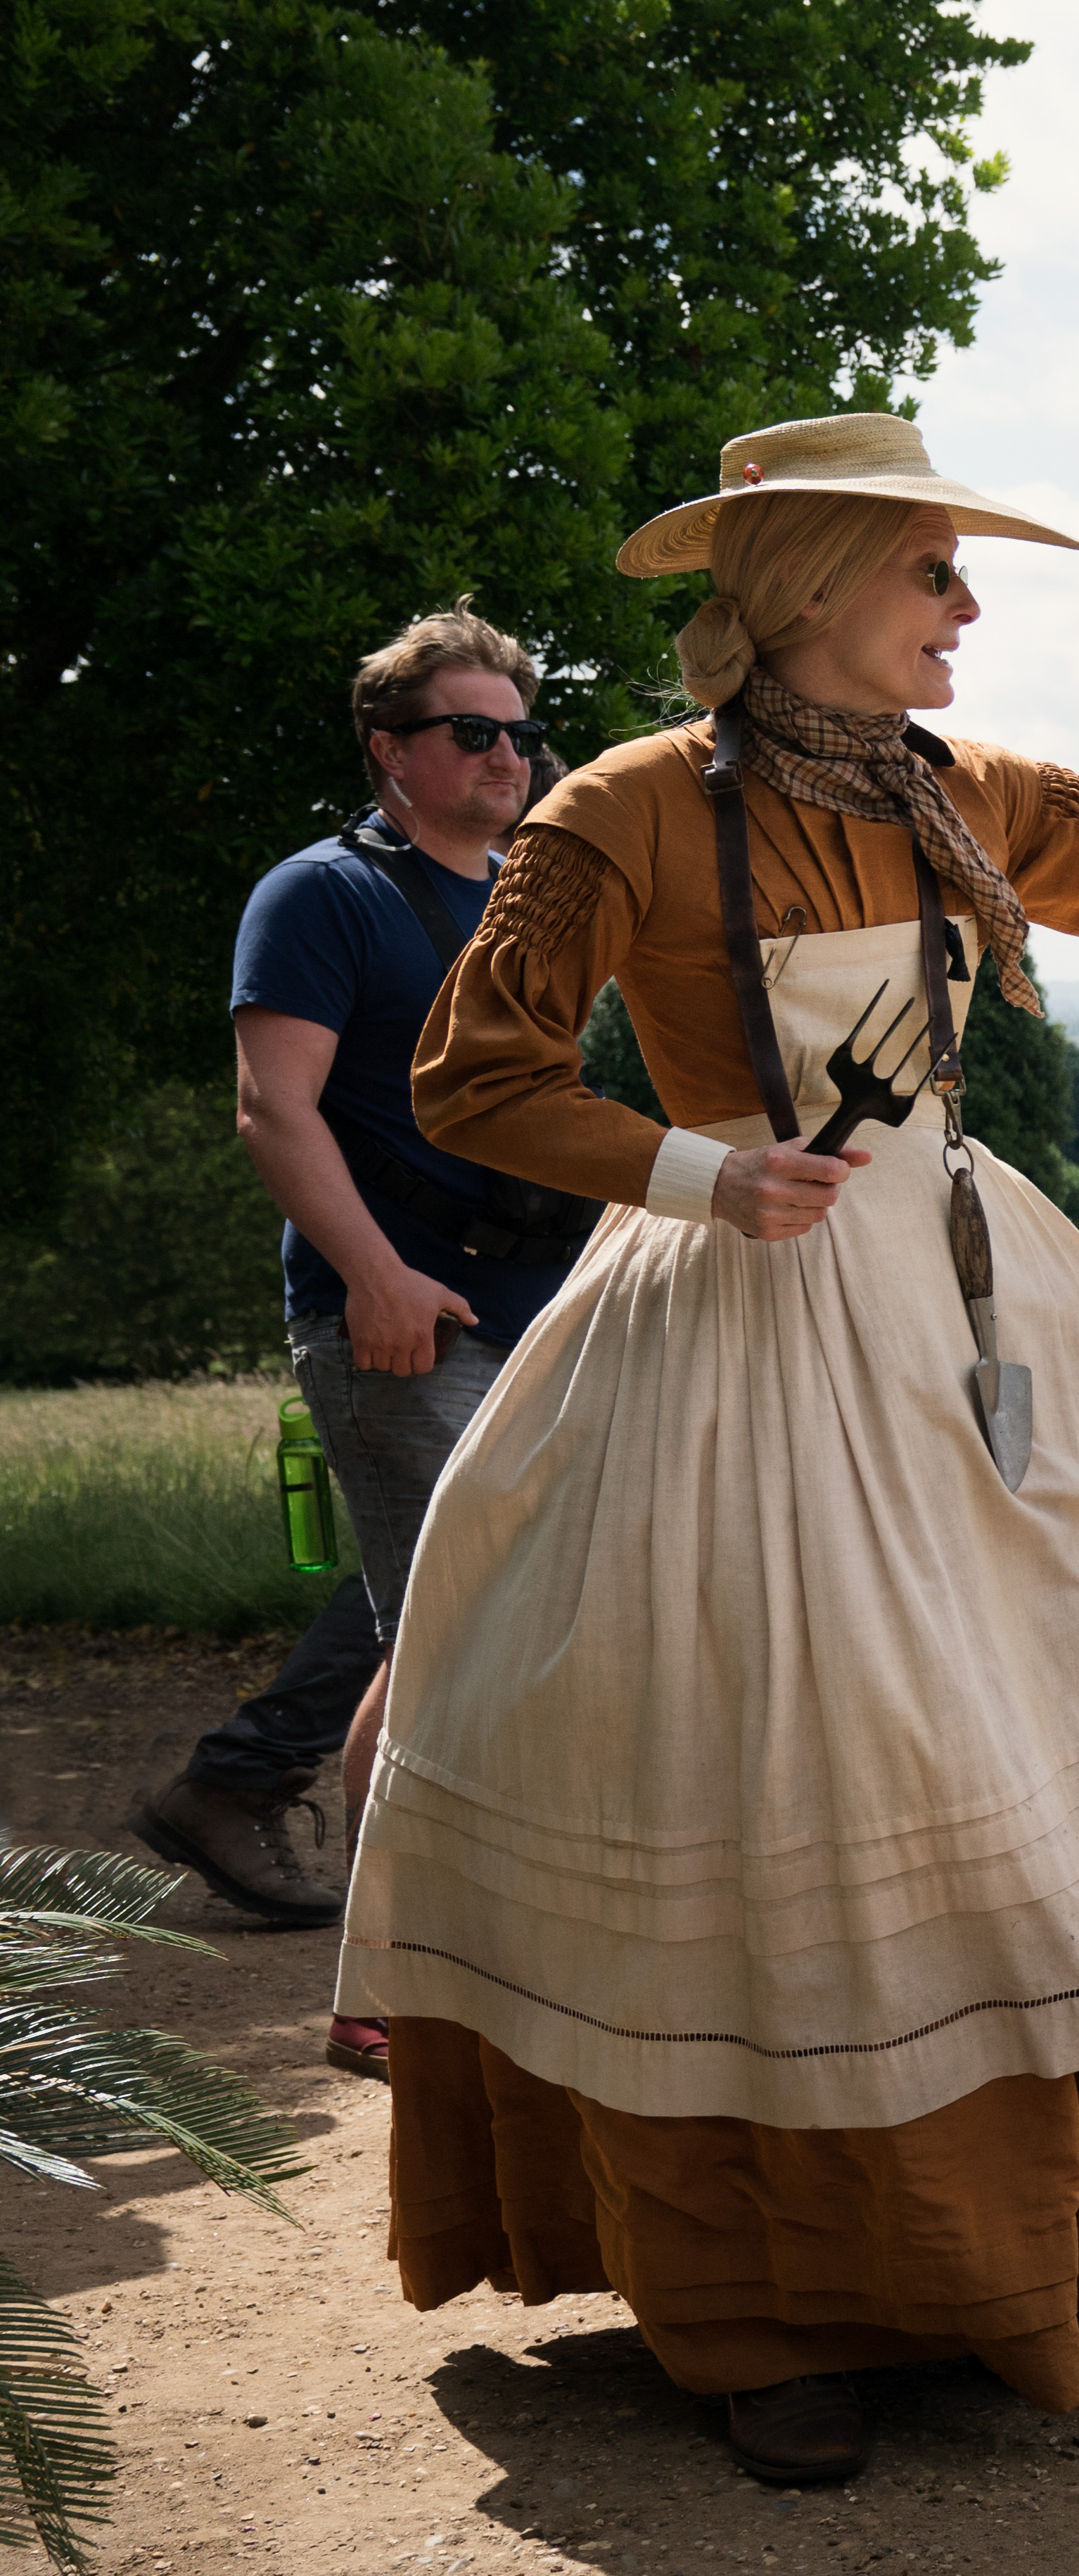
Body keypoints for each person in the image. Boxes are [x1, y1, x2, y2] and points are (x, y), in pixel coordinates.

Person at [341, 412, 1079, 2485]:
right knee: (793, 1769)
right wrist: (687, 1165)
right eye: (933, 569)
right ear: (810, 587)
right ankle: (773, 2312)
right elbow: (470, 1078)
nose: (970, 607)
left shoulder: (957, 795)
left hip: (963, 1299)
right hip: (737, 1324)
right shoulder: (620, 818)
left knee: (1067, 1736)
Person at [134, 614, 594, 1969]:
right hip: (402, 1321)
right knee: (453, 1632)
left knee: (479, 1613)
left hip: (546, 1313)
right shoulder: (321, 895)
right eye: (472, 732)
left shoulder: (527, 894)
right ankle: (398, 1975)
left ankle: (450, 1928)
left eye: (521, 732)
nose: (508, 755)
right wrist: (372, 1275)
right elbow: (273, 1108)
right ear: (392, 751)